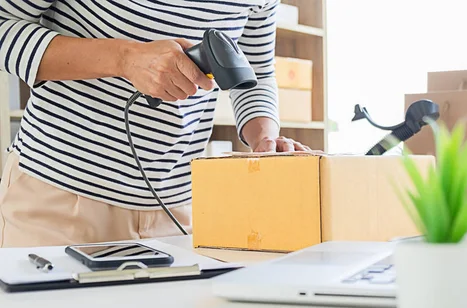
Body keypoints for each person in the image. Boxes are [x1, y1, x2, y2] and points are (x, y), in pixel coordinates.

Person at [0, 0, 308, 249]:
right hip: (58, 200)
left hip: (177, 210)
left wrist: (264, 138)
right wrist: (124, 58)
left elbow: (255, 73)